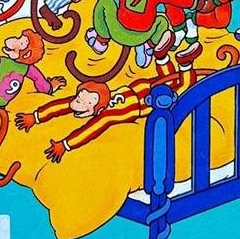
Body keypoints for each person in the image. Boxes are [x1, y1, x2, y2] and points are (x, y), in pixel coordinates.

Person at [15, 57, 196, 163]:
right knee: (170, 81)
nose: (78, 103)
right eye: (79, 99)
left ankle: (183, 65)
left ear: (98, 107)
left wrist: (65, 145)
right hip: (139, 90)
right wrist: (35, 117)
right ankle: (166, 59)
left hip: (144, 101)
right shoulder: (93, 101)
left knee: (181, 89)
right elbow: (62, 105)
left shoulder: (106, 115)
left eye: (83, 102)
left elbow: (89, 129)